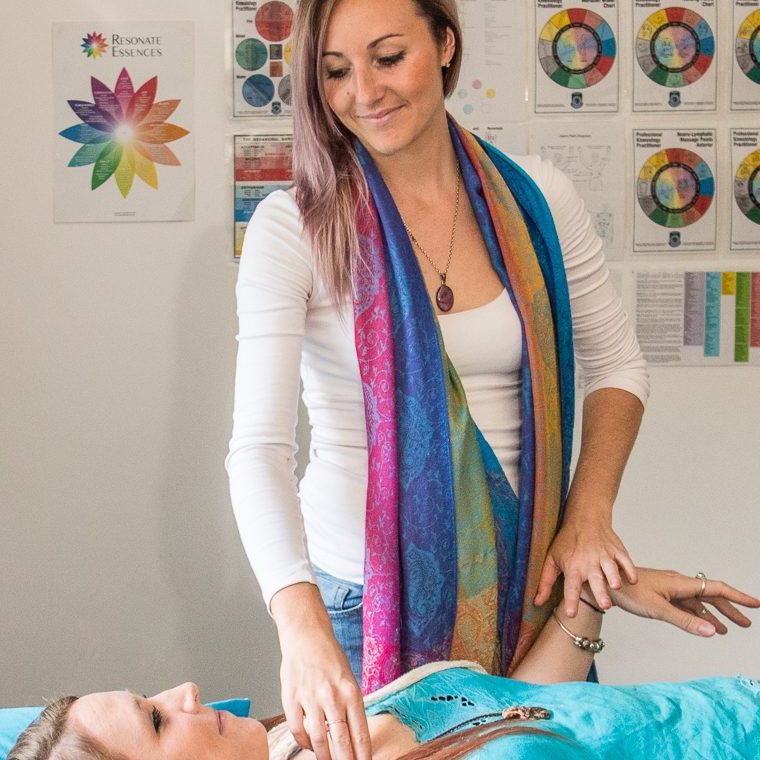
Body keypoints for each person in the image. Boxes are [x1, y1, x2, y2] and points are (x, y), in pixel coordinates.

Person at [225, 0, 651, 756]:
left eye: (388, 57)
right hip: (360, 603)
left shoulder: (539, 200)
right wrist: (302, 628)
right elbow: (257, 449)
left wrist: (590, 512)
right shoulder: (294, 228)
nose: (364, 91)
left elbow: (617, 365)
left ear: (445, 44)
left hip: (532, 581)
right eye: (335, 71)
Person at [9, 569, 760, 760]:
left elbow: (523, 708)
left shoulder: (303, 734)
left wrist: (592, 595)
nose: (187, 690)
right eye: (156, 718)